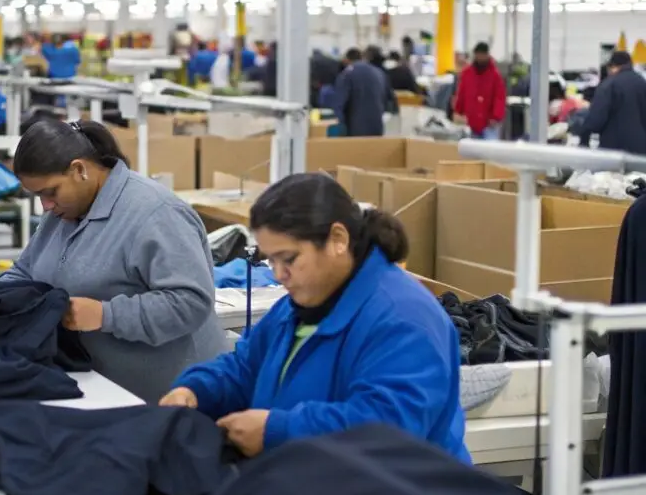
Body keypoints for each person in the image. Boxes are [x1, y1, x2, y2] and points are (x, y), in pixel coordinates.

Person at [160, 173, 470, 463]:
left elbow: (387, 431)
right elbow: (247, 367)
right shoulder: (299, 305)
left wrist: (277, 430)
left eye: (289, 259)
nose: (279, 275)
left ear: (338, 238)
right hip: (316, 488)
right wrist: (196, 390)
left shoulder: (404, 319)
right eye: (271, 260)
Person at [0, 119, 228, 401]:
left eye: (50, 192)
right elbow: (25, 271)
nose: (44, 205)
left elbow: (190, 302)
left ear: (79, 170)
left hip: (173, 396)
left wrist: (104, 315)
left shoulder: (155, 213)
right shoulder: (61, 215)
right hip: (103, 388)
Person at [579, 50, 646, 154]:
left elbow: (596, 117)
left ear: (613, 66)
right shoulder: (642, 82)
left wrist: (584, 139)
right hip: (641, 150)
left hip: (614, 148)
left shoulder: (609, 85)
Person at [330, 48, 393, 136]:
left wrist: (338, 130)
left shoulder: (347, 74)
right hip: (377, 129)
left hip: (355, 131)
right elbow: (388, 101)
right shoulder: (379, 73)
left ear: (346, 60)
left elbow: (338, 105)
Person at [453, 42, 506, 140]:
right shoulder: (467, 74)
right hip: (471, 123)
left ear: (487, 55)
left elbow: (499, 98)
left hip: (489, 124)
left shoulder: (495, 76)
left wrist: (496, 117)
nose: (480, 57)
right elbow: (461, 93)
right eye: (478, 55)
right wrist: (458, 111)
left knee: (490, 152)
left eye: (482, 55)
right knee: (472, 153)